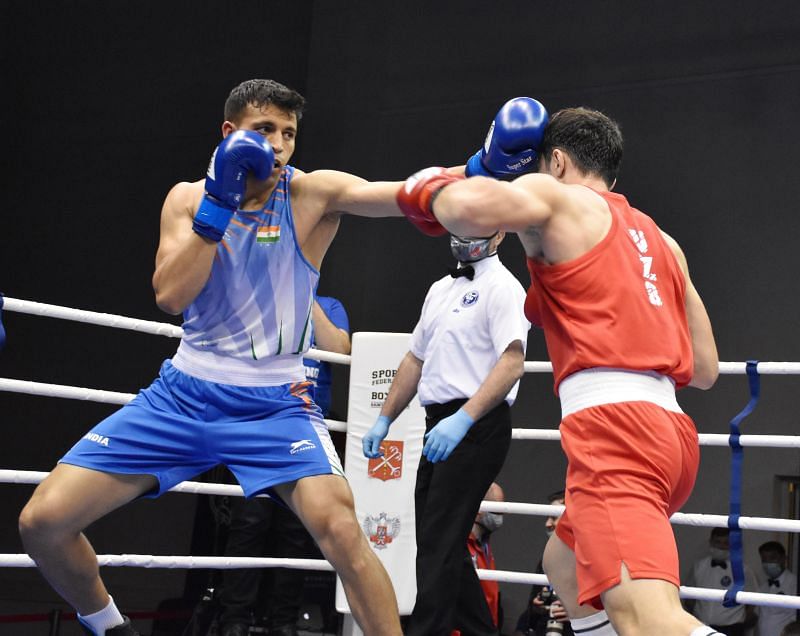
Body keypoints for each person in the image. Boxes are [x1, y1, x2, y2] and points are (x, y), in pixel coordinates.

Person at [18, 78, 406, 636]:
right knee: (43, 523)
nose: (277, 144)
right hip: (184, 395)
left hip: (277, 404)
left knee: (343, 531)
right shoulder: (186, 198)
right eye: (264, 129)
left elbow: (400, 196)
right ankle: (110, 627)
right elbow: (171, 297)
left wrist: (481, 172)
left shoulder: (310, 194)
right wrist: (218, 206)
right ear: (229, 133)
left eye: (288, 133)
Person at [395, 103, 721, 636]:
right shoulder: (663, 242)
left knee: (648, 620)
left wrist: (480, 164)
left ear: (560, 163)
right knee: (562, 564)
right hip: (672, 435)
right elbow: (705, 369)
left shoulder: (556, 197)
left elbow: (459, 213)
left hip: (618, 434)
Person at [362, 224, 530, 636]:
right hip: (438, 424)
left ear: (499, 235)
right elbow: (415, 359)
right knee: (442, 543)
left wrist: (466, 417)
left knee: (438, 545)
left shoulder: (503, 288)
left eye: (476, 228)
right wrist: (384, 418)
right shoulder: (440, 288)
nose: (465, 236)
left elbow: (512, 362)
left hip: (476, 423)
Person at [216, 295, 351, 636]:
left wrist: (305, 297)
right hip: (258, 422)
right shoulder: (262, 299)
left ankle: (284, 622)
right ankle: (234, 619)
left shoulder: (329, 305)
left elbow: (340, 349)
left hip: (305, 427)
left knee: (296, 529)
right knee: (250, 522)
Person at [514, 490, 573, 636]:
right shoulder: (546, 562)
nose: (547, 524)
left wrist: (578, 613)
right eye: (547, 517)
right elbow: (524, 623)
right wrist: (535, 609)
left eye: (553, 518)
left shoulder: (591, 562)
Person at [453, 481, 507, 636]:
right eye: (496, 512)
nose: (500, 519)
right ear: (477, 509)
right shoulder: (458, 544)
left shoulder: (484, 546)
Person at [685, 528, 757, 636]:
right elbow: (689, 598)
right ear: (711, 542)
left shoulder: (743, 569)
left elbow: (752, 601)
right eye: (717, 542)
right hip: (702, 627)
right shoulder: (698, 567)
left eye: (726, 543)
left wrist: (741, 624)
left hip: (732, 629)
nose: (721, 546)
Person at [757, 540, 797, 636]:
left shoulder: (794, 584)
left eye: (772, 558)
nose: (768, 563)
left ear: (783, 559)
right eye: (764, 559)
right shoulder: (763, 587)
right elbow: (761, 617)